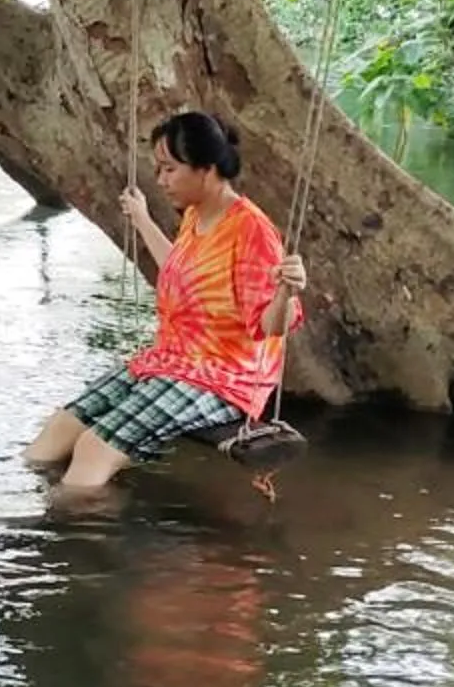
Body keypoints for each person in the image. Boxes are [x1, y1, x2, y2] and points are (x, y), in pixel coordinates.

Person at [27, 109, 307, 495]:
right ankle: (37, 503)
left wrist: (286, 291)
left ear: (206, 169)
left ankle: (68, 541)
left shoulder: (251, 231)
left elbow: (270, 327)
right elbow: (181, 272)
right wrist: (142, 219)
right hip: (172, 360)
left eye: (169, 169)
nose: (160, 180)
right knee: (60, 429)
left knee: (94, 449)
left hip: (222, 378)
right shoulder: (196, 214)